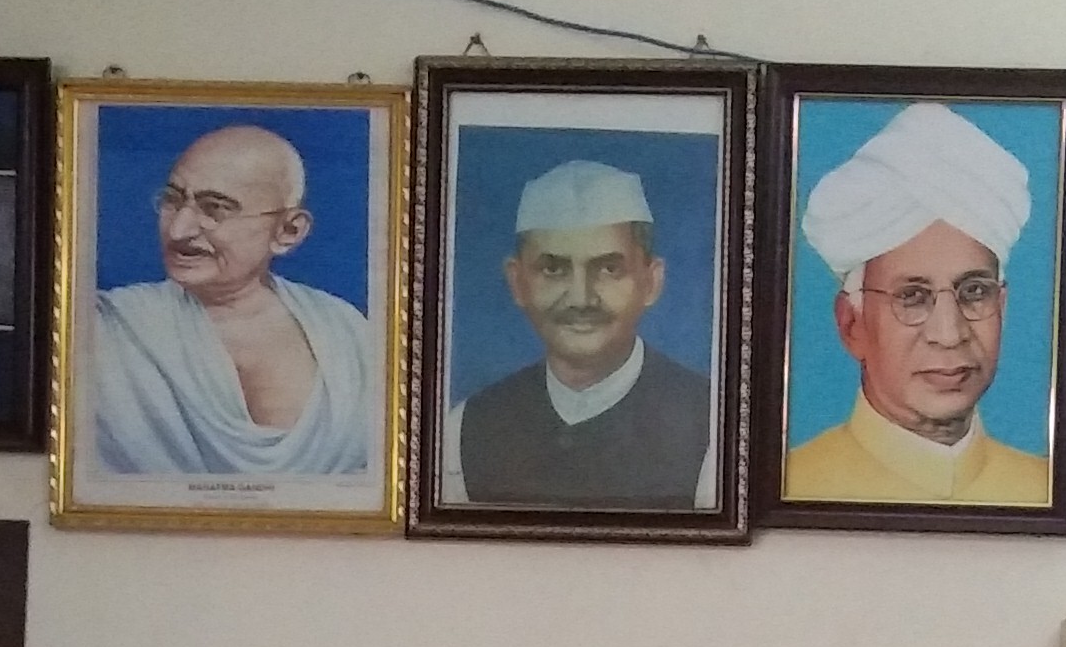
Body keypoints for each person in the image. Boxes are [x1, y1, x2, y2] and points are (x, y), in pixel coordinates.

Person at [784, 101, 1051, 508]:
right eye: (912, 297)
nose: (949, 334)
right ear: (851, 325)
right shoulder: (798, 485)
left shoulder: (1040, 488)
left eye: (974, 291)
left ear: (1003, 306)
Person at [79, 122, 379, 481]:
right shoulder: (109, 328)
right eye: (172, 201)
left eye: (215, 209)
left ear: (288, 231)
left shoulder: (346, 334)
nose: (179, 229)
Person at [447, 159, 712, 507]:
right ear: (518, 282)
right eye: (553, 269)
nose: (580, 298)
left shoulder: (712, 428)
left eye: (609, 268)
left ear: (651, 282)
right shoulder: (467, 428)